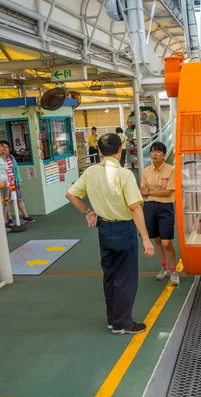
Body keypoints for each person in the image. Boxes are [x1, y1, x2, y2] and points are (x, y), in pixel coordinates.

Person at [65, 134, 155, 335]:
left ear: (98, 151)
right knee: (126, 276)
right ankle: (122, 323)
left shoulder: (90, 172)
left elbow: (70, 194)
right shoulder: (124, 175)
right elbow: (134, 208)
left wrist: (88, 211)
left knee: (110, 275)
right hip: (124, 229)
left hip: (104, 229)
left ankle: (112, 319)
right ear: (120, 150)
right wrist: (146, 239)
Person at [141, 141, 179, 286]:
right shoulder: (146, 171)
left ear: (164, 154)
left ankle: (174, 271)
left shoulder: (171, 170)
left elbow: (168, 192)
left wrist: (150, 191)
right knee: (157, 241)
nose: (154, 154)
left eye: (158, 151)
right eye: (152, 151)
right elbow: (142, 192)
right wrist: (153, 192)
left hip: (165, 208)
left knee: (166, 242)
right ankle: (164, 269)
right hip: (149, 207)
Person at [2, 141, 34, 223]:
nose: (5, 149)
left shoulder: (11, 157)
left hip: (14, 181)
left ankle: (25, 215)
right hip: (4, 183)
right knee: (6, 200)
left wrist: (19, 180)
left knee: (19, 198)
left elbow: (16, 169)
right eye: (3, 147)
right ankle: (9, 218)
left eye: (6, 147)